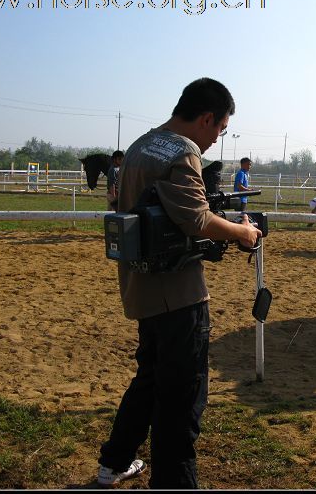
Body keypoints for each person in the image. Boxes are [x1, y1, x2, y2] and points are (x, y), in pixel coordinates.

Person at [96, 78, 261, 489]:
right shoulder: (184, 153)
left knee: (150, 378)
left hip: (141, 287)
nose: (214, 142)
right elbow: (198, 220)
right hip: (179, 296)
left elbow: (124, 206)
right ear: (207, 118)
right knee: (182, 401)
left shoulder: (140, 145)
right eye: (220, 130)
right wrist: (243, 233)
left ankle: (115, 462)